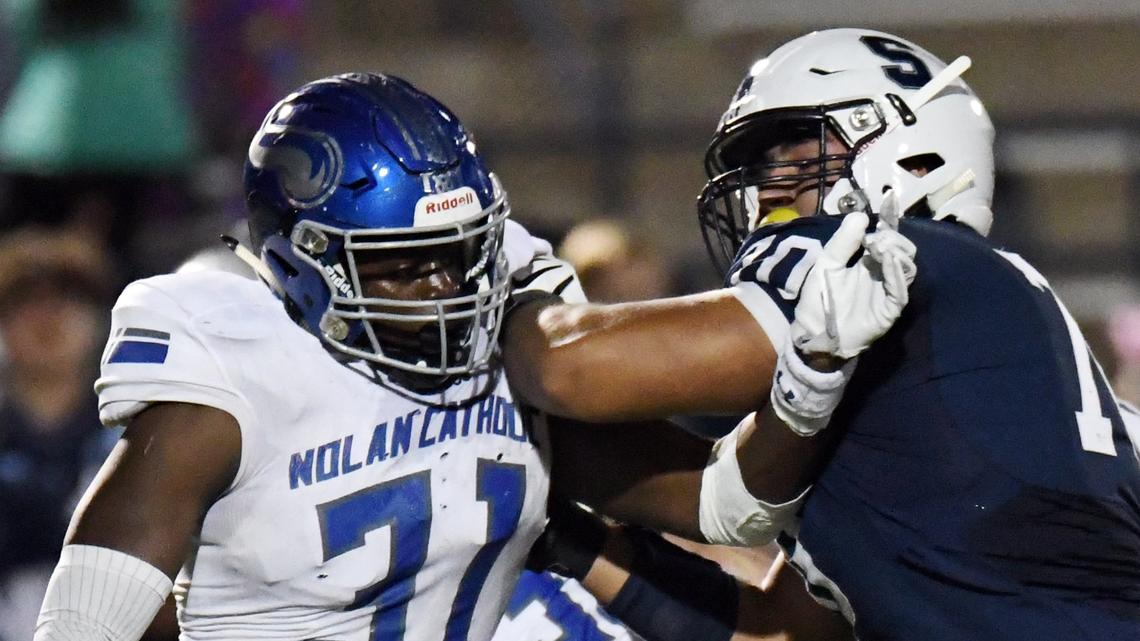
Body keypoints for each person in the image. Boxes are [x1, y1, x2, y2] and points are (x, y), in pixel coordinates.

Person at [503, 28, 1140, 641]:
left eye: (791, 149)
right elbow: (779, 630)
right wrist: (575, 539)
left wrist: (493, 288)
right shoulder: (956, 356)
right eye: (758, 162)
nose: (764, 187)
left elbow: (571, 368)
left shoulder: (896, 256)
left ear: (909, 148)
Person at [32, 72, 586, 641]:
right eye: (400, 266)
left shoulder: (514, 330)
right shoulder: (237, 362)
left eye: (459, 252)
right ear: (301, 263)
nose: (445, 288)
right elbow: (82, 624)